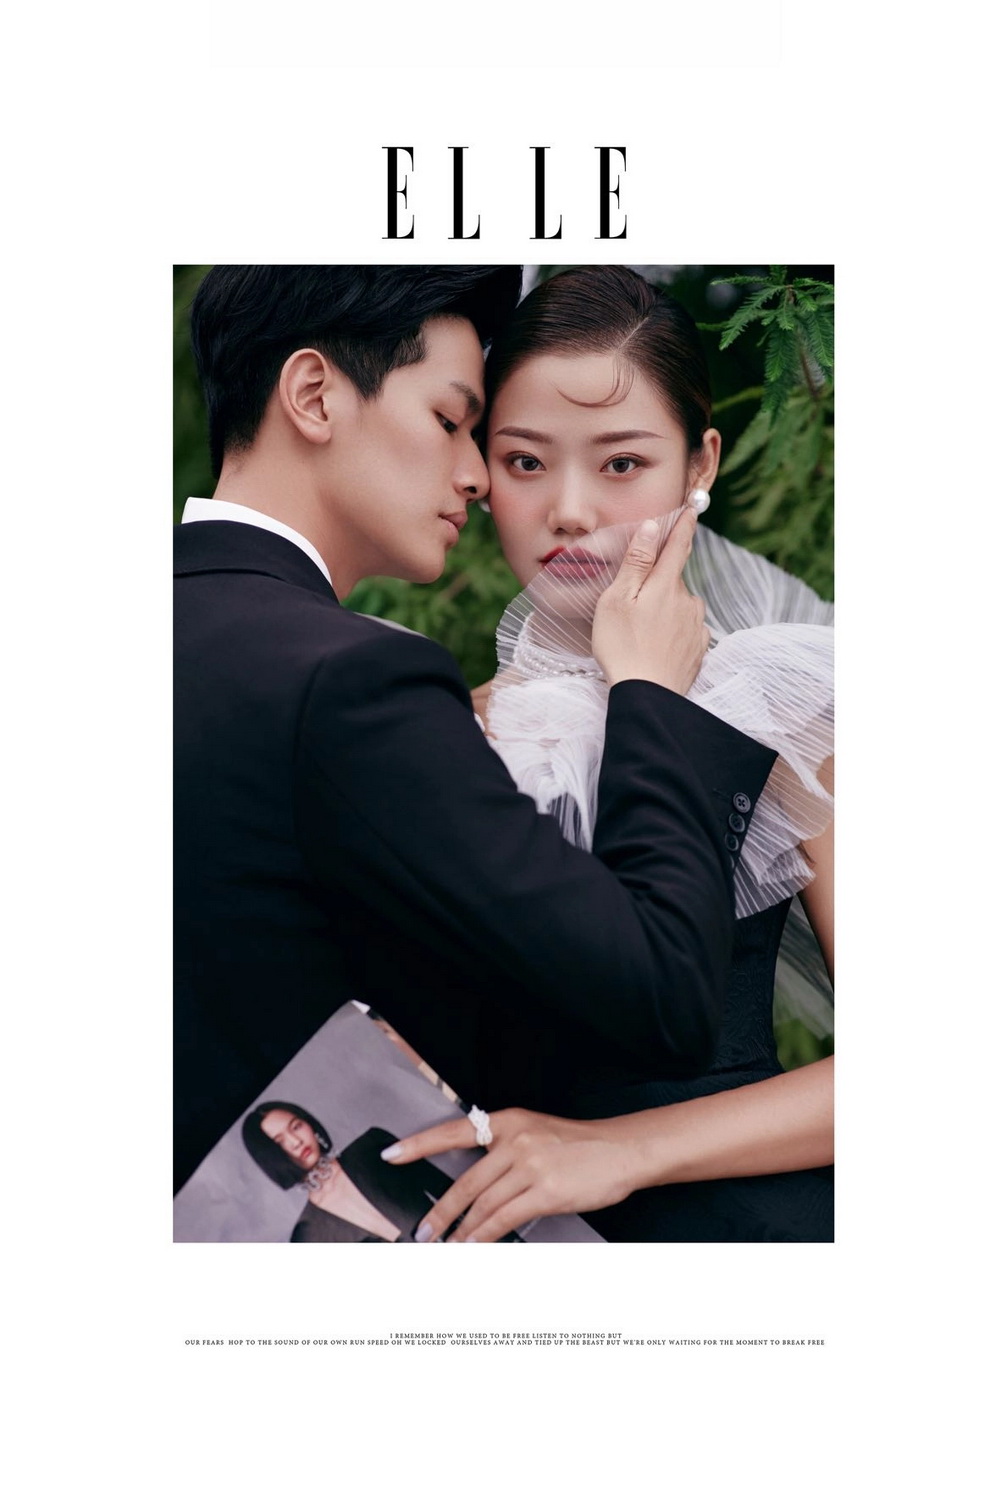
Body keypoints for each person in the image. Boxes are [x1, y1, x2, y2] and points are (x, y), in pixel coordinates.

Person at [174, 265, 779, 1195]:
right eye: (456, 424)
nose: (476, 477)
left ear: (700, 464)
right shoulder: (369, 687)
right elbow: (658, 990)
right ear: (313, 395)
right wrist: (648, 695)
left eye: (621, 461)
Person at [385, 266, 834, 1242]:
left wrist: (620, 1150)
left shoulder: (784, 703)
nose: (571, 510)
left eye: (622, 463)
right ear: (480, 472)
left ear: (701, 463)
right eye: (525, 461)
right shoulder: (438, 730)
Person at [242, 1102, 507, 1242]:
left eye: (296, 1126)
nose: (295, 1141)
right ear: (270, 1157)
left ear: (310, 1125)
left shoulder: (370, 1147)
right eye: (279, 1142)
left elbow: (455, 1193)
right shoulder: (307, 1237)